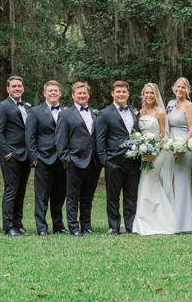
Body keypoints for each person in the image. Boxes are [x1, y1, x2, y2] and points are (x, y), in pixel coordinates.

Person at [95, 80, 140, 235]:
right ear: (113, 94)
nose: (121, 94)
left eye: (124, 92)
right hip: (113, 161)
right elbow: (100, 139)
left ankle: (130, 225)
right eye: (118, 92)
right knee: (113, 197)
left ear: (128, 93)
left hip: (133, 162)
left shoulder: (135, 112)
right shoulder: (104, 113)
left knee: (131, 196)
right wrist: (104, 160)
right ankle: (114, 226)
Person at [56, 82, 101, 235]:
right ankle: (74, 227)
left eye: (84, 93)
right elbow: (60, 140)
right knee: (73, 197)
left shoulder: (95, 113)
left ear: (88, 95)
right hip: (74, 161)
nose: (82, 96)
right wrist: (67, 159)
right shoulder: (65, 114)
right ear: (73, 95)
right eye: (79, 93)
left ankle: (86, 225)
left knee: (87, 197)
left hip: (93, 162)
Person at [132, 83, 175, 235]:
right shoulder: (140, 112)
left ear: (156, 95)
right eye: (146, 93)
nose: (149, 95)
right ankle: (145, 219)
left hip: (157, 154)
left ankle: (156, 221)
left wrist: (155, 152)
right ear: (143, 95)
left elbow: (164, 136)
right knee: (144, 183)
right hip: (144, 154)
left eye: (152, 93)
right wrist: (141, 148)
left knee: (150, 182)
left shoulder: (160, 112)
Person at [25, 80, 68, 235]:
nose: (53, 93)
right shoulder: (35, 112)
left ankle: (58, 225)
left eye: (56, 90)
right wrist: (34, 158)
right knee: (41, 196)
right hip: (43, 159)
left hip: (62, 160)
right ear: (45, 93)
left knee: (59, 195)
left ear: (60, 93)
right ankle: (42, 227)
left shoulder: (66, 111)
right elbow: (30, 137)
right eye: (50, 90)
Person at [0, 75, 32, 236]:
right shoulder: (2, 107)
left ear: (22, 88)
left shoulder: (26, 106)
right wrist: (7, 153)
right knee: (11, 190)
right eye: (13, 86)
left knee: (21, 191)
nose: (17, 89)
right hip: (11, 156)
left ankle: (18, 223)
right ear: (8, 89)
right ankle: (8, 226)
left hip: (25, 155)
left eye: (19, 86)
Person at [166, 77, 192, 233]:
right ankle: (172, 220)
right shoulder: (170, 105)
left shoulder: (189, 106)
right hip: (170, 147)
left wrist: (181, 147)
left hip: (183, 146)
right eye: (177, 87)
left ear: (187, 90)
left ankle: (186, 224)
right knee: (170, 183)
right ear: (173, 88)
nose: (180, 90)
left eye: (183, 88)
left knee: (181, 183)